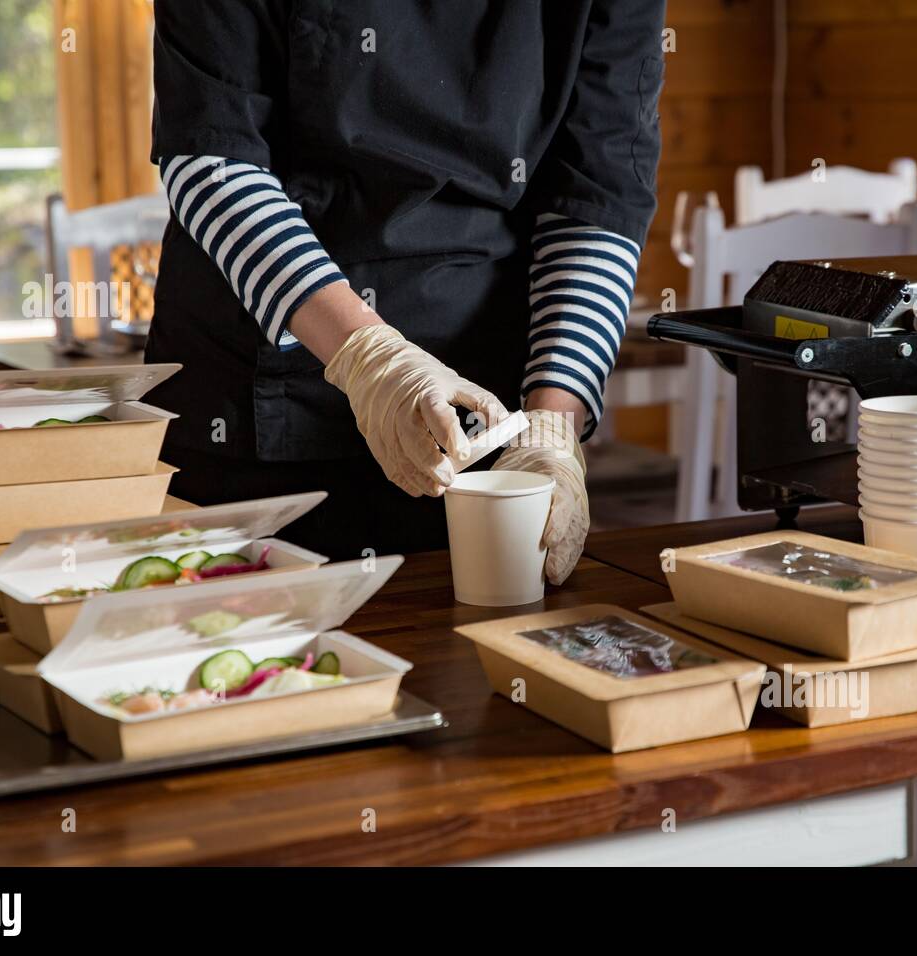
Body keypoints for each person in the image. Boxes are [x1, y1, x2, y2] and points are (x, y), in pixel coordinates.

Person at [145, 0, 664, 585]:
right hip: (259, 407)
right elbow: (212, 158)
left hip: (483, 422)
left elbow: (597, 199)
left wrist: (550, 425)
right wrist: (370, 356)